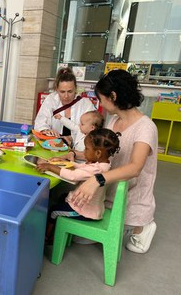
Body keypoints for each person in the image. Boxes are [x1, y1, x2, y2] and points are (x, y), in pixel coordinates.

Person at [70, 69, 158, 254]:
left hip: (130, 196)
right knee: (80, 235)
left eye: (101, 99)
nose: (100, 104)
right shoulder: (113, 121)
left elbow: (135, 168)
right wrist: (72, 154)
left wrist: (97, 179)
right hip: (106, 192)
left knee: (129, 241)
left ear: (113, 96)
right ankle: (104, 220)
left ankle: (142, 227)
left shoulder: (145, 127)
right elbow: (100, 154)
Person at [36, 128, 121, 243]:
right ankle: (55, 230)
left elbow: (72, 176)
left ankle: (48, 238)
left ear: (98, 153)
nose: (84, 152)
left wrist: (50, 167)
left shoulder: (96, 169)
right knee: (62, 197)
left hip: (84, 210)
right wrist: (64, 162)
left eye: (86, 149)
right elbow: (82, 168)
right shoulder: (103, 164)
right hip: (88, 204)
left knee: (53, 210)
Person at [34, 67, 95, 141]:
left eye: (70, 91)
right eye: (62, 92)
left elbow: (93, 130)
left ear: (75, 88)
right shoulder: (51, 99)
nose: (66, 96)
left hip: (78, 147)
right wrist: (46, 130)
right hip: (53, 144)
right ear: (56, 89)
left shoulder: (85, 104)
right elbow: (40, 122)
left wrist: (71, 138)